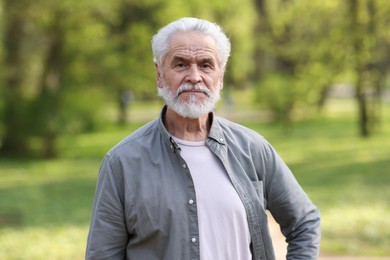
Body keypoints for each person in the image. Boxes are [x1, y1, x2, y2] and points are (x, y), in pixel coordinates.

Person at [86, 17, 321, 260]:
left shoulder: (252, 149)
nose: (194, 77)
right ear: (159, 74)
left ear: (220, 76)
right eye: (180, 64)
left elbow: (304, 222)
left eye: (206, 65)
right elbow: (103, 254)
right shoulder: (122, 163)